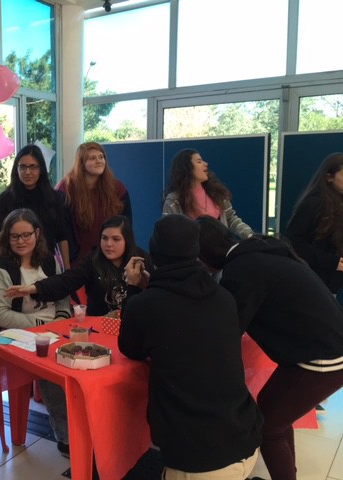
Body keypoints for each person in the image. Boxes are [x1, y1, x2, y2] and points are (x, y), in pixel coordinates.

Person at [196, 215, 343, 480]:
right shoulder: (257, 252)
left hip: (324, 357)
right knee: (273, 415)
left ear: (202, 256)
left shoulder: (241, 270)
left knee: (268, 426)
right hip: (323, 347)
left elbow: (227, 328)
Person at [118, 214, 262, 479]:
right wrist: (152, 288)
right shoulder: (223, 297)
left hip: (198, 458)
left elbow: (130, 347)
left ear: (153, 254)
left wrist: (135, 290)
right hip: (245, 437)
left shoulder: (146, 305)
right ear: (196, 253)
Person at [0, 208, 71, 457]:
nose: (21, 241)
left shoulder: (49, 261)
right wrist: (41, 326)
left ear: (37, 234)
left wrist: (62, 319)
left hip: (56, 328)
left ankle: (88, 424)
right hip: (21, 335)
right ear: (7, 237)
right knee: (52, 364)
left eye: (26, 235)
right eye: (15, 236)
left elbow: (62, 293)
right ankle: (66, 435)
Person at [5, 215, 151, 317]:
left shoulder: (141, 259)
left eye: (116, 239)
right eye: (104, 238)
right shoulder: (93, 260)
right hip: (98, 326)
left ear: (127, 241)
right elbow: (66, 281)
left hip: (133, 326)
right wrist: (33, 288)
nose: (108, 244)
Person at [0, 144, 72, 269]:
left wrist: (67, 268)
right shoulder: (5, 199)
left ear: (41, 169)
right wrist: (4, 264)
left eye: (33, 167)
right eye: (23, 167)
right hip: (15, 264)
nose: (27, 172)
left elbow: (62, 235)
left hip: (47, 264)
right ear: (16, 169)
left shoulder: (54, 198)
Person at [56, 141, 132, 265]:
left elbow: (126, 228)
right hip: (78, 261)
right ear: (81, 163)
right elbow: (62, 232)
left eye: (101, 157)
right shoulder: (66, 189)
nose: (99, 161)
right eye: (92, 158)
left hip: (111, 259)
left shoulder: (117, 189)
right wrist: (67, 268)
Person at [285, 152, 343, 295]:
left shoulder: (339, 202)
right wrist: (332, 262)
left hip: (331, 284)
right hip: (314, 283)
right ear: (329, 177)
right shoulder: (314, 203)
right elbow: (294, 242)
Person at [163, 148, 253, 239]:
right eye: (199, 162)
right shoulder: (173, 201)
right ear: (187, 168)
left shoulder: (217, 193)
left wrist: (250, 235)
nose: (206, 164)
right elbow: (170, 234)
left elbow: (231, 219)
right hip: (192, 248)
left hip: (222, 247)